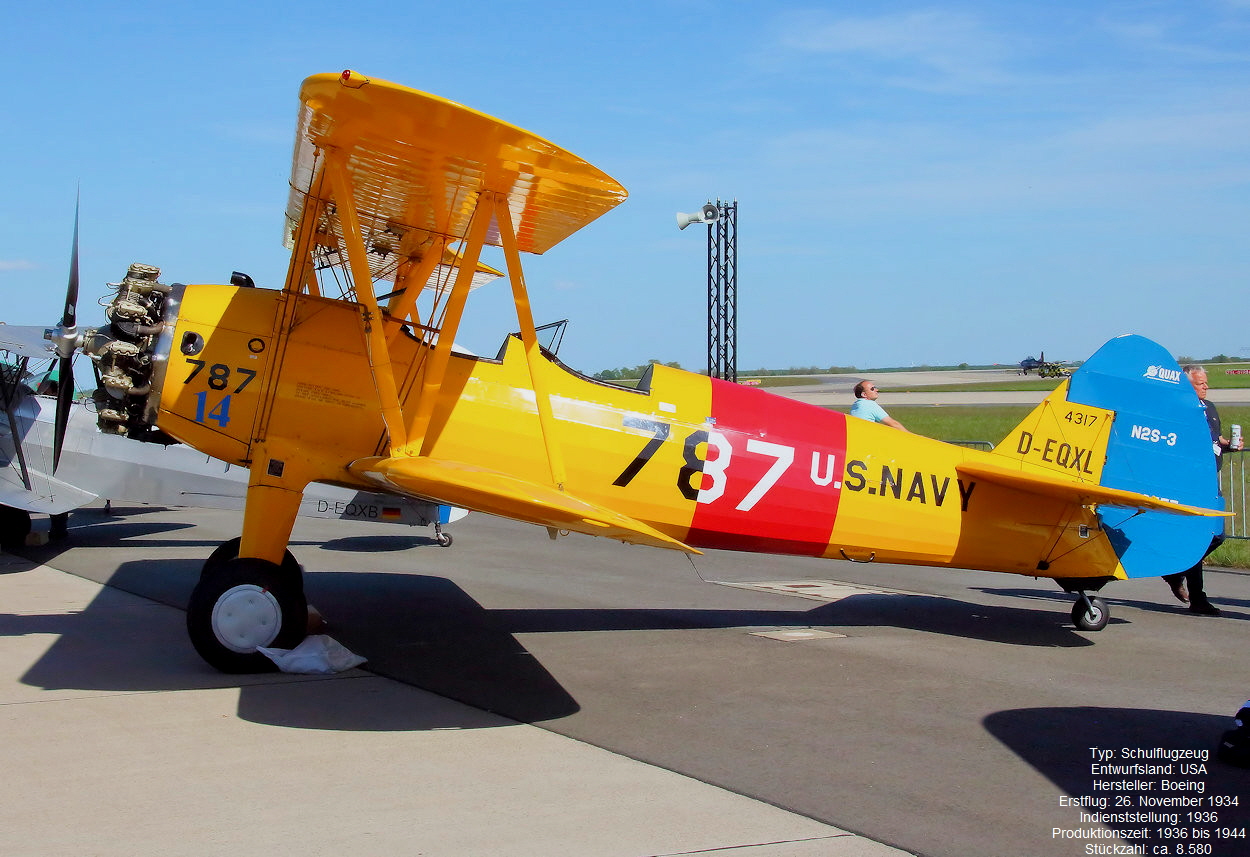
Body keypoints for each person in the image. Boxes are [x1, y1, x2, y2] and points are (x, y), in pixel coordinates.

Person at [1163, 365, 1242, 616]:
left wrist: (1228, 445)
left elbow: (1214, 440)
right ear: (1187, 385)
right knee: (1200, 536)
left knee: (1217, 536)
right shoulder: (1178, 410)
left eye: (1206, 383)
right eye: (1200, 384)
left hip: (1210, 481)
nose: (1206, 387)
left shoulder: (1210, 408)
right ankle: (1197, 598)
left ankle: (1176, 571)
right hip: (1188, 483)